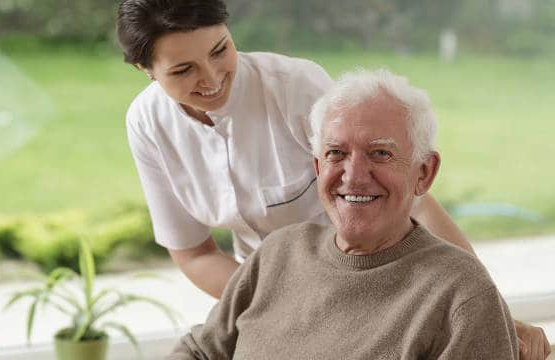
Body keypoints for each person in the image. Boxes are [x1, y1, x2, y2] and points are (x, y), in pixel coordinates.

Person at [116, 0, 550, 357]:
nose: (211, 78)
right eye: (182, 70)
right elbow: (194, 253)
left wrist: (487, 311)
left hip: (381, 275)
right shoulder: (147, 124)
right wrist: (279, 305)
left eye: (219, 51)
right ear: (146, 70)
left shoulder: (292, 86)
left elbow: (403, 190)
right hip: (272, 282)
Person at [168, 68, 520, 359]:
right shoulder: (279, 253)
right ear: (318, 167)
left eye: (380, 153)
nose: (353, 175)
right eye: (336, 152)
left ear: (423, 172)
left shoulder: (459, 295)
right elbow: (201, 351)